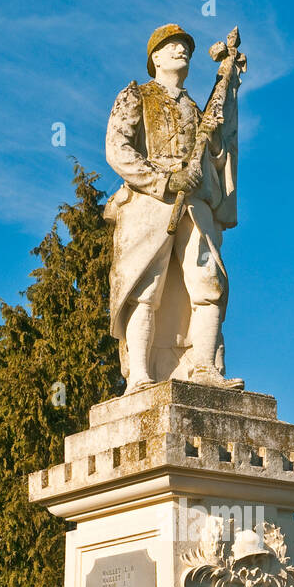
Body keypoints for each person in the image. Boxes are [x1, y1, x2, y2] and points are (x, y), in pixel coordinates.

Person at [105, 23, 244, 392]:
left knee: (208, 282)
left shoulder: (198, 109)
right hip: (149, 202)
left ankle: (204, 369)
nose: (182, 50)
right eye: (173, 46)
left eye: (185, 46)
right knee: (144, 288)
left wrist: (221, 112)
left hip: (194, 202)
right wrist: (164, 181)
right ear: (155, 57)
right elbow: (118, 150)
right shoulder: (136, 94)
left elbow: (215, 156)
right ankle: (140, 376)